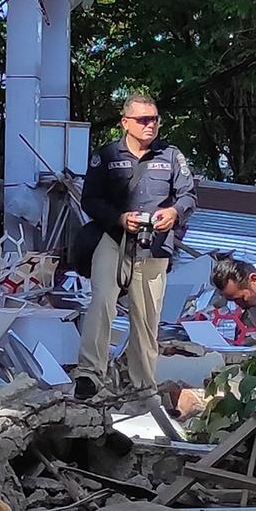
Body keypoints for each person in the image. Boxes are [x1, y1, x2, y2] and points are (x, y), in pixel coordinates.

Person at [75, 92, 196, 401]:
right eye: (143, 120)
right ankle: (89, 376)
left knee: (146, 318)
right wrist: (119, 218)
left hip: (154, 246)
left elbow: (188, 196)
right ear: (125, 123)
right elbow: (89, 198)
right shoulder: (106, 156)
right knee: (101, 302)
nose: (150, 125)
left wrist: (173, 212)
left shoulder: (171, 156)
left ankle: (142, 387)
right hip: (115, 239)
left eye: (154, 119)